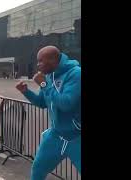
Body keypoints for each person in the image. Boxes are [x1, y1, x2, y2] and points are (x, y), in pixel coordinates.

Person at [16, 46, 81, 180]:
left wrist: (45, 85)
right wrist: (26, 92)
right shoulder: (49, 76)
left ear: (53, 60)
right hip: (56, 136)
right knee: (38, 169)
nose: (38, 65)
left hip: (77, 137)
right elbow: (42, 102)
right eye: (37, 61)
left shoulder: (75, 74)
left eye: (41, 61)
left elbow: (66, 104)